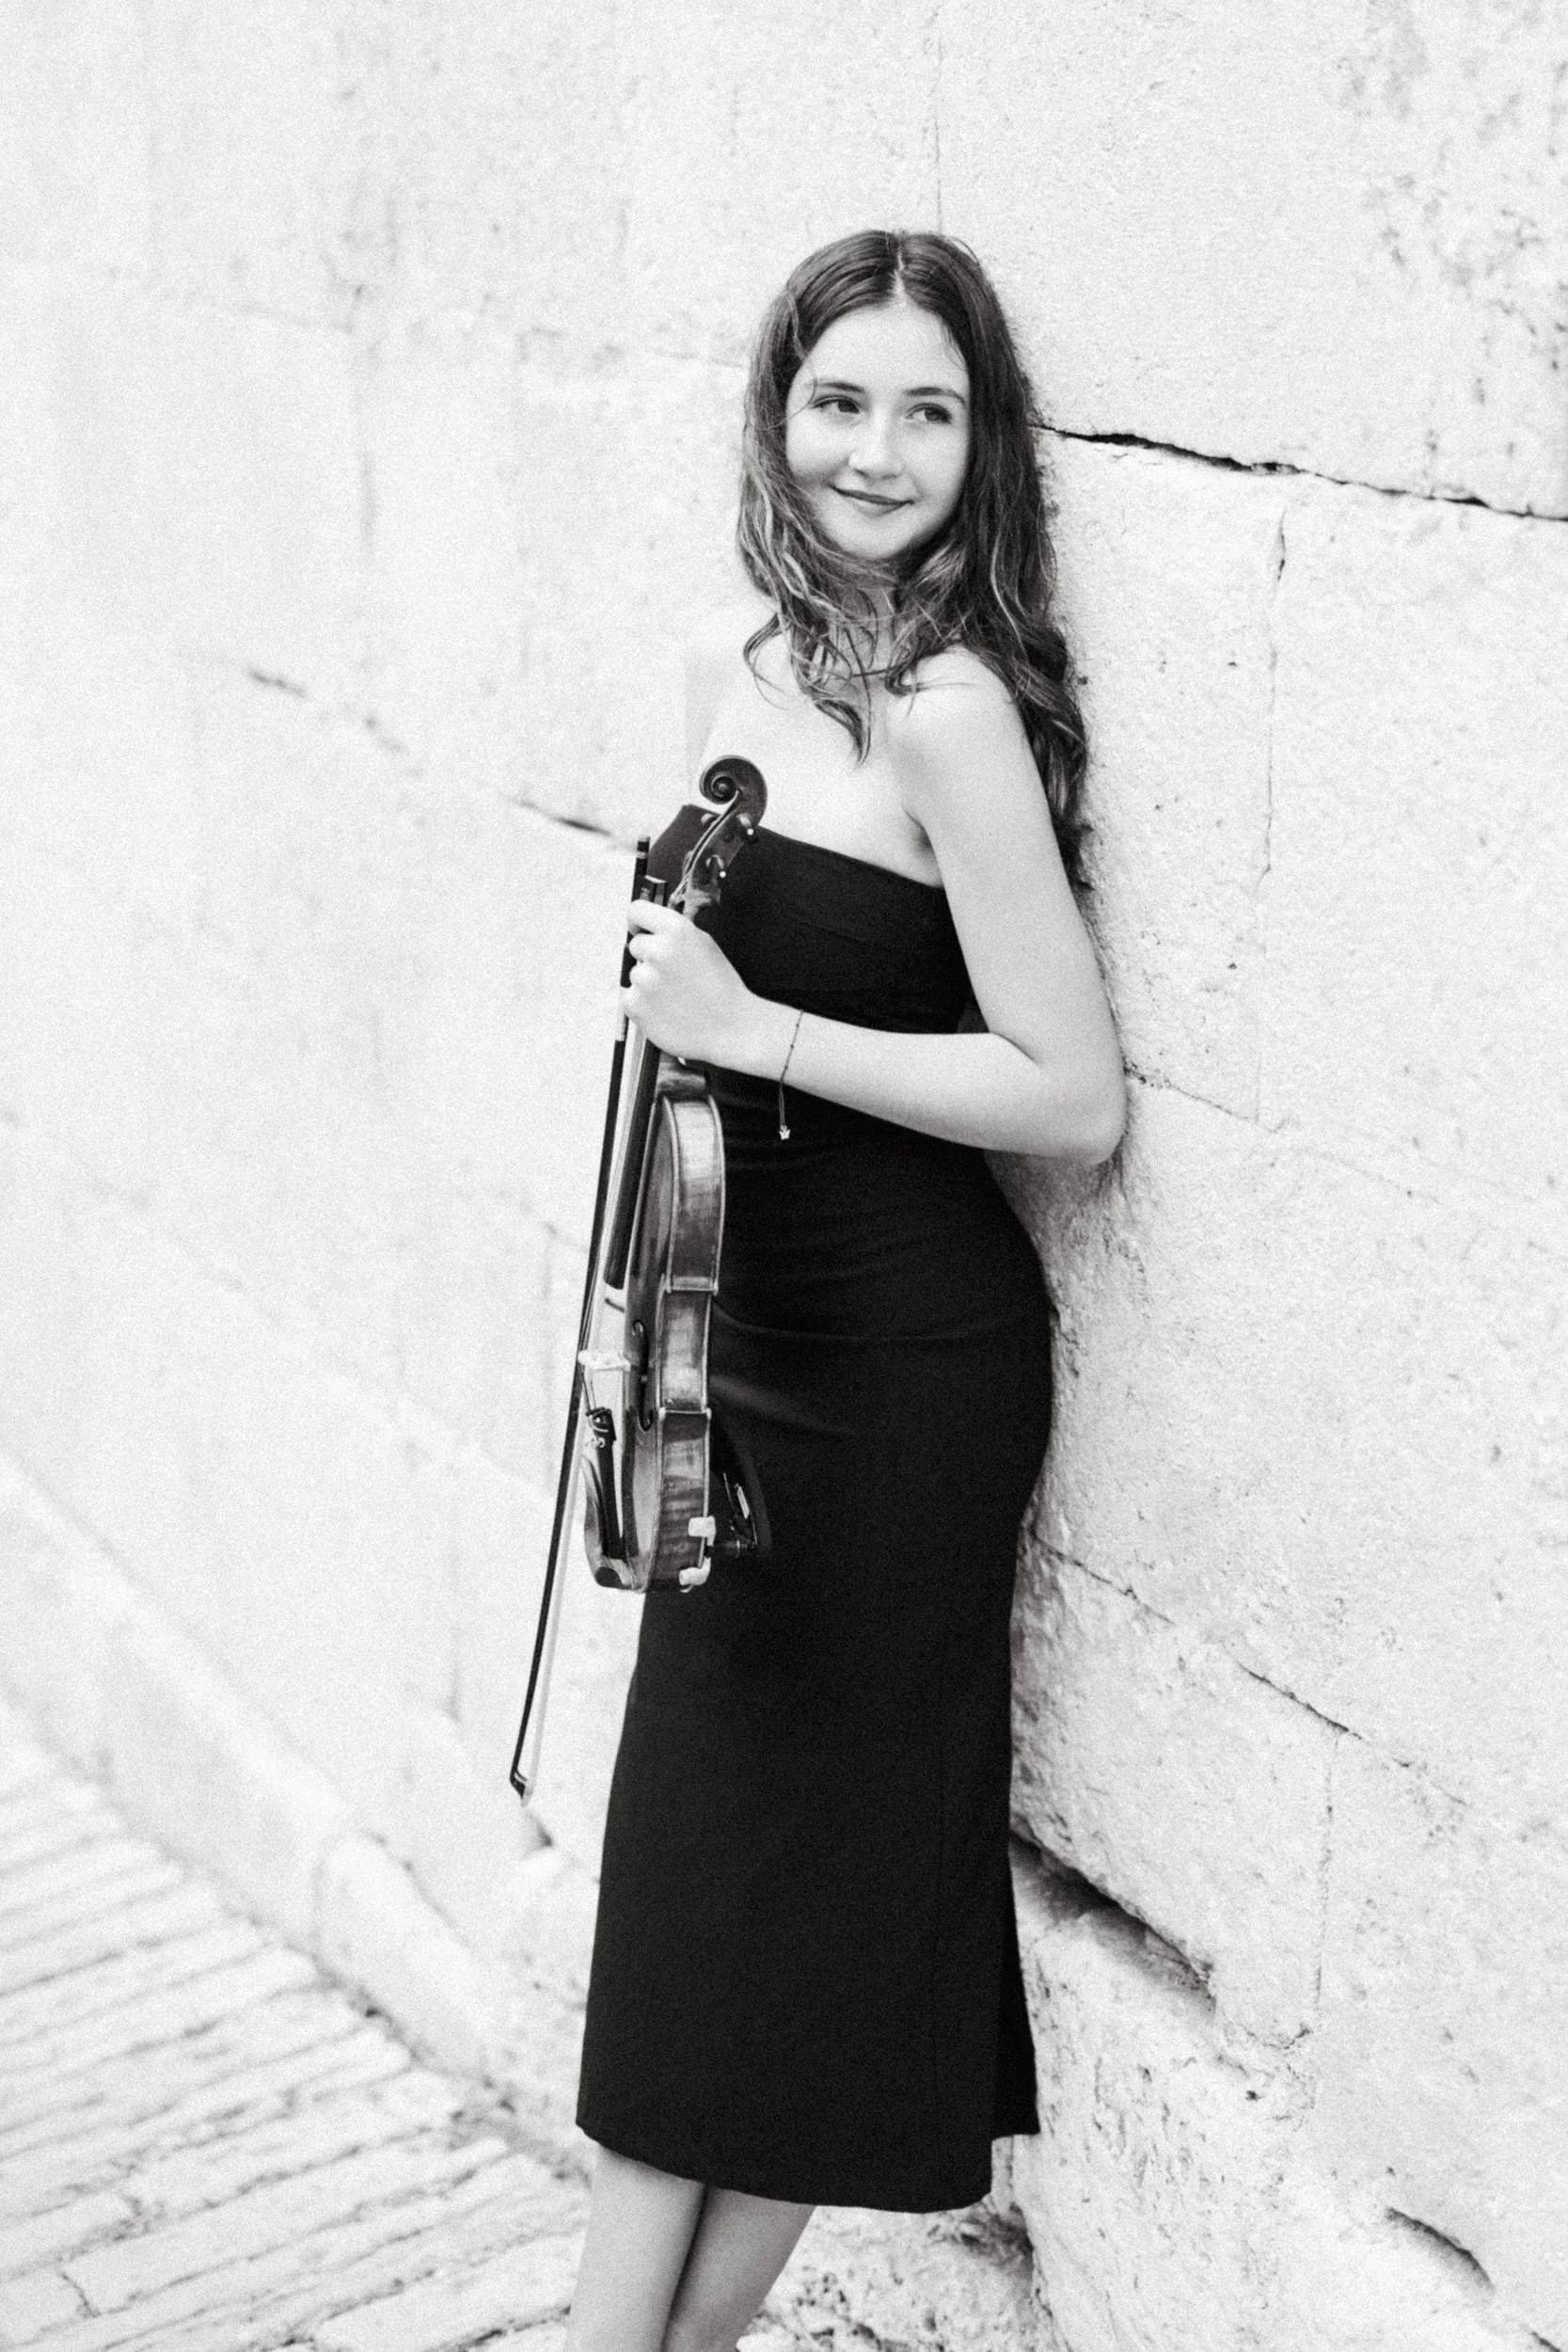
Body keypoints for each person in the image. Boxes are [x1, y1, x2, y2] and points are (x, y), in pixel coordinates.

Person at [564, 229, 1126, 2352]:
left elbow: (1065, 1095)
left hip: (901, 1378)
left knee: (813, 1925)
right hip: (727, 1342)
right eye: (835, 397)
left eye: (925, 407)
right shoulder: (740, 665)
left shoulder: (948, 715)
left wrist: (750, 1027)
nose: (872, 448)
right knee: (694, 1900)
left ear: (978, 449)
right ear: (772, 412)